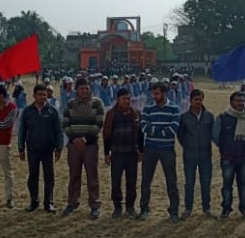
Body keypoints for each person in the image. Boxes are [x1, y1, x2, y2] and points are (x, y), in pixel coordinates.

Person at [62, 78, 106, 218]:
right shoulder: (70, 104)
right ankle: (72, 203)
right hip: (73, 146)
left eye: (87, 88)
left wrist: (85, 139)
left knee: (92, 176)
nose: (85, 91)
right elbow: (65, 123)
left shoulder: (97, 103)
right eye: (82, 88)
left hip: (90, 146)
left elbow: (98, 123)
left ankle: (94, 205)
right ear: (77, 90)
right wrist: (74, 139)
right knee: (74, 175)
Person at [18, 84, 63, 212]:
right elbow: (22, 130)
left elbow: (58, 131)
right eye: (40, 94)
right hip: (32, 149)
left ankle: (48, 203)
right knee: (33, 176)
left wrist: (59, 148)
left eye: (44, 95)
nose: (43, 97)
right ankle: (34, 201)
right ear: (34, 95)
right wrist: (21, 148)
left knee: (49, 176)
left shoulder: (52, 111)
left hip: (48, 150)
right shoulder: (28, 111)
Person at [140, 82, 181, 222]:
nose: (154, 96)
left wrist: (154, 131)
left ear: (164, 93)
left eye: (157, 93)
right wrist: (161, 130)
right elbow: (143, 126)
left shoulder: (174, 108)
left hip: (167, 149)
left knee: (171, 181)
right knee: (146, 181)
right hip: (150, 149)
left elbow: (173, 128)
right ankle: (144, 209)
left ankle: (174, 211)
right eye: (153, 93)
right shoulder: (148, 107)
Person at [213, 91, 245, 220]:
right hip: (228, 157)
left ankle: (244, 209)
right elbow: (215, 136)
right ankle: (226, 209)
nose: (240, 103)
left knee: (243, 185)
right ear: (231, 102)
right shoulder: (222, 117)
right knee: (227, 186)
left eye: (242, 101)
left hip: (243, 157)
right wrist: (225, 147)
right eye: (237, 101)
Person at [103, 87, 143, 218]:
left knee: (132, 182)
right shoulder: (111, 114)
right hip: (117, 153)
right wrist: (106, 153)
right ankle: (117, 208)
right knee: (116, 182)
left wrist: (141, 151)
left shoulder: (136, 113)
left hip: (132, 153)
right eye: (124, 98)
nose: (127, 101)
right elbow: (107, 135)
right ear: (118, 99)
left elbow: (141, 133)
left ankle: (130, 207)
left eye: (129, 98)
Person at [177, 89, 216, 218]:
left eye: (200, 99)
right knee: (189, 183)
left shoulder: (209, 116)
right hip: (190, 155)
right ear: (191, 101)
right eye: (195, 99)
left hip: (205, 155)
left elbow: (213, 134)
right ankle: (188, 208)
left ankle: (207, 208)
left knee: (206, 182)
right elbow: (180, 135)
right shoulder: (184, 117)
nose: (198, 102)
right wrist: (188, 145)